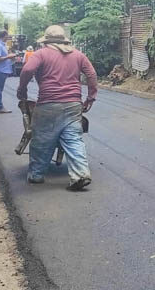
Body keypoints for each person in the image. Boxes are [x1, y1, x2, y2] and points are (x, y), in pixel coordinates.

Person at [17, 25, 98, 191]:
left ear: (46, 40)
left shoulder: (41, 54)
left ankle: (37, 174)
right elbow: (91, 74)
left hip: (48, 103)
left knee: (42, 139)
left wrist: (22, 90)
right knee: (74, 139)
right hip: (73, 104)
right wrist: (90, 97)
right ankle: (80, 174)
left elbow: (27, 69)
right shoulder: (78, 55)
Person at [0, 30, 16, 113]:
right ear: (4, 36)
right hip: (0, 70)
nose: (7, 38)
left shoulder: (1, 45)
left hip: (1, 69)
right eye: (7, 36)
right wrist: (8, 57)